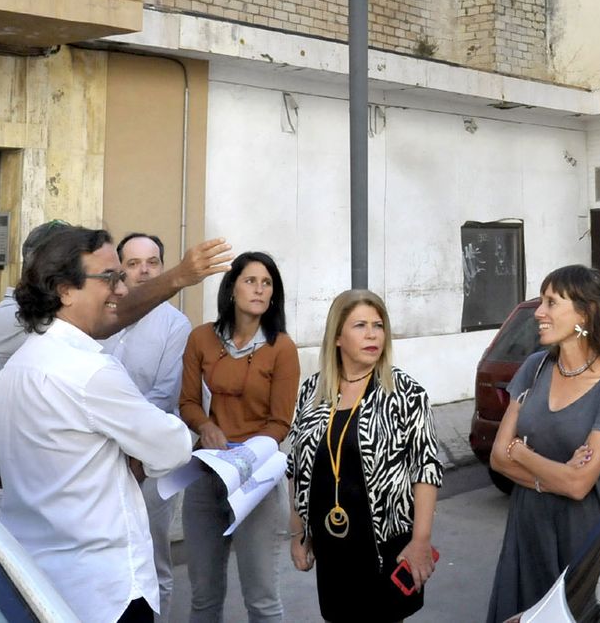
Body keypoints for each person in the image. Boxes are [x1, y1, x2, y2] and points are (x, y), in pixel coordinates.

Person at [0, 225, 193, 623]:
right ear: (64, 289)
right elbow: (173, 447)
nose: (121, 290)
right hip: (107, 589)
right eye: (110, 277)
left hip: (41, 580)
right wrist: (136, 452)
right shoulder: (89, 370)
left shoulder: (17, 367)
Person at [0, 224, 231, 516]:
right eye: (107, 277)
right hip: (5, 496)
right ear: (59, 282)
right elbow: (115, 317)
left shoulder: (54, 344)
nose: (119, 289)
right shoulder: (11, 319)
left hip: (38, 495)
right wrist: (178, 276)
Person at [485, 265, 600, 623]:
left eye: (551, 302)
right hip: (528, 529)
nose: (539, 312)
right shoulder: (535, 367)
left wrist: (522, 453)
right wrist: (550, 475)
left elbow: (579, 484)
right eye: (541, 302)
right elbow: (497, 457)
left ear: (585, 312)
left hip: (583, 534)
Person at [288, 289, 442, 623]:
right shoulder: (312, 391)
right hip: (331, 546)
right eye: (360, 325)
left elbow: (426, 469)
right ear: (338, 337)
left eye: (378, 325)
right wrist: (298, 533)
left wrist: (421, 541)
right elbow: (296, 467)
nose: (372, 334)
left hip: (384, 547)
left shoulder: (406, 393)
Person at [179, 252, 300, 623]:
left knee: (261, 600)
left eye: (267, 284)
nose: (260, 290)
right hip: (205, 474)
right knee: (204, 597)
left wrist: (245, 456)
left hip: (255, 479)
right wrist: (205, 427)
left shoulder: (281, 348)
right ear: (231, 289)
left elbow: (280, 423)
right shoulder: (201, 337)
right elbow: (187, 402)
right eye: (251, 281)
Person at [104, 232, 193, 619]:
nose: (143, 271)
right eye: (134, 263)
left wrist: (134, 457)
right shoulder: (105, 318)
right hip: (104, 460)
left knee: (156, 560)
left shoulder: (176, 325)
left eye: (152, 263)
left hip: (155, 467)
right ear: (119, 269)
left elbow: (163, 396)